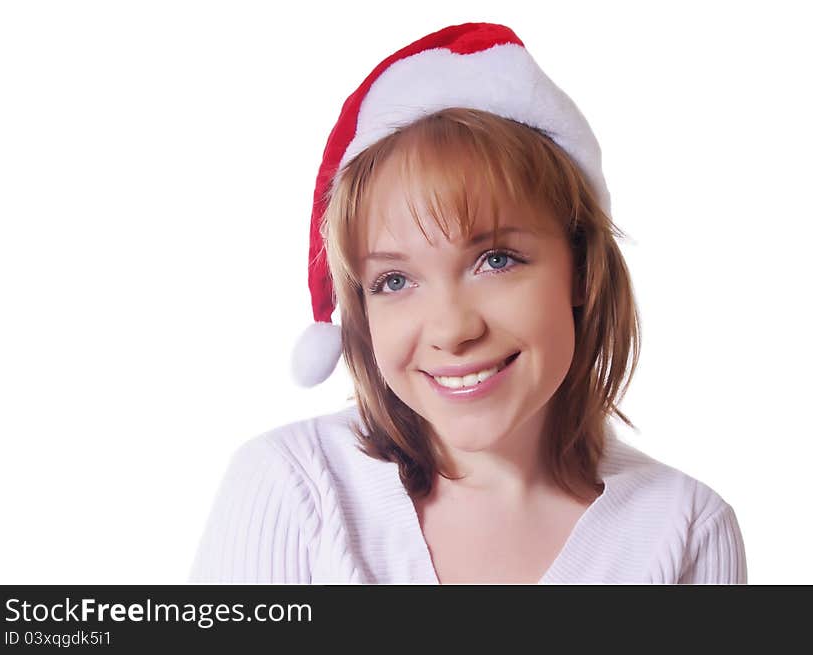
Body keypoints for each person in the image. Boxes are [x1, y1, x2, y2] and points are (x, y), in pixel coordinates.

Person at [188, 22, 747, 584]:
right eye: (395, 281)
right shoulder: (292, 488)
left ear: (580, 267)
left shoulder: (686, 529)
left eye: (496, 260)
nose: (452, 329)